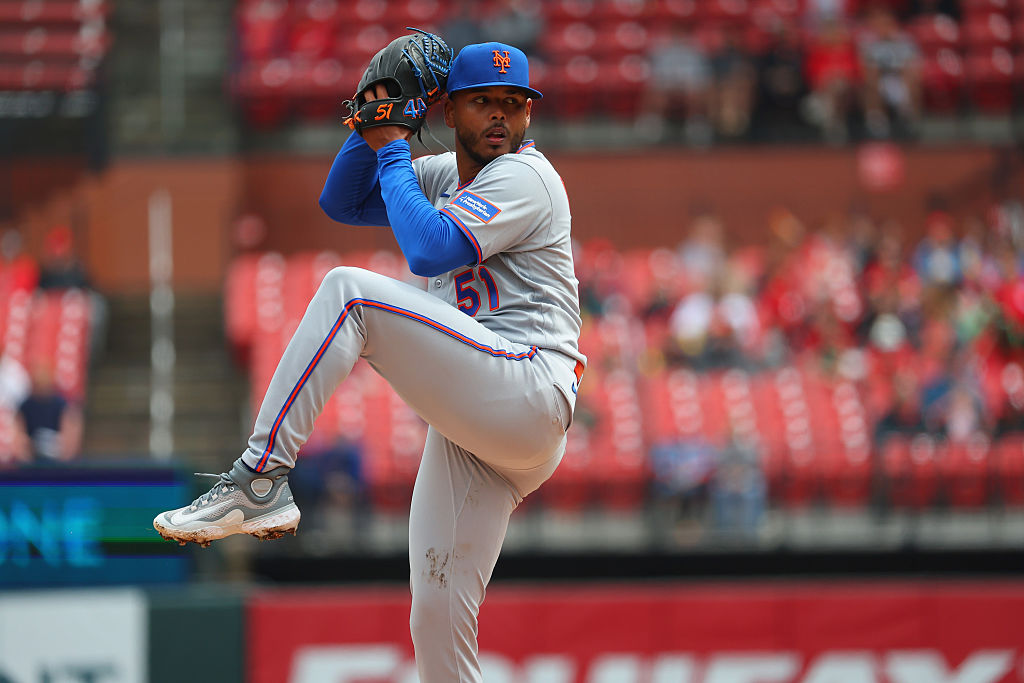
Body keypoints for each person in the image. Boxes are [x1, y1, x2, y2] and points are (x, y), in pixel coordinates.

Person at [154, 38, 584, 682]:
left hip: (528, 384)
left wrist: (392, 145)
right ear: (446, 110)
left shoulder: (527, 174)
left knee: (348, 293)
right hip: (486, 423)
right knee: (435, 614)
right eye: (483, 103)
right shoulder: (446, 172)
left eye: (515, 104)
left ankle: (260, 479)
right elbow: (343, 202)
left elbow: (431, 249)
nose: (501, 116)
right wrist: (374, 120)